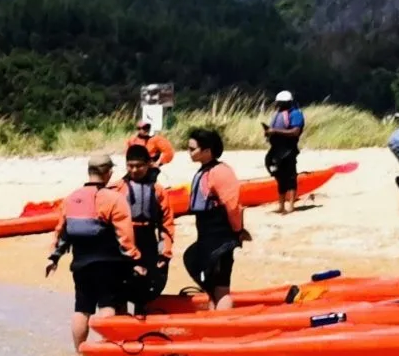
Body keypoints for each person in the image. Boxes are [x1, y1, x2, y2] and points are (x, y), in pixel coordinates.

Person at [47, 154, 141, 348]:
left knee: (82, 308)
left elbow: (62, 232)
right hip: (109, 264)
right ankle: (110, 349)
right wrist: (135, 260)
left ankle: (80, 350)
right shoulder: (114, 198)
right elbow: (125, 235)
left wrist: (53, 257)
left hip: (80, 263)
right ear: (108, 173)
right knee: (108, 305)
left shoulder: (72, 198)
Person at [181, 127, 248, 310]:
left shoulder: (220, 172)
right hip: (206, 234)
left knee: (220, 286)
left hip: (221, 235)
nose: (189, 152)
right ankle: (214, 317)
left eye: (192, 149)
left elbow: (233, 206)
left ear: (207, 151)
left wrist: (237, 231)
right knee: (205, 276)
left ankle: (224, 323)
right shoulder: (204, 171)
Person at [120, 144, 173, 315]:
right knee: (120, 286)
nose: (134, 170)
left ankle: (142, 319)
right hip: (125, 239)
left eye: (139, 166)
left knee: (146, 286)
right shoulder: (118, 188)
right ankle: (121, 329)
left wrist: (165, 252)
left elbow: (166, 223)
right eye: (130, 166)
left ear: (148, 164)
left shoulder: (158, 190)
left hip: (148, 238)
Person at [263, 91, 306, 214]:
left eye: (280, 103)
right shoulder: (278, 113)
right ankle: (281, 206)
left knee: (291, 177)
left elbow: (295, 132)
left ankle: (291, 206)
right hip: (276, 149)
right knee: (279, 177)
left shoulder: (296, 114)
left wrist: (275, 131)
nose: (278, 105)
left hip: (288, 149)